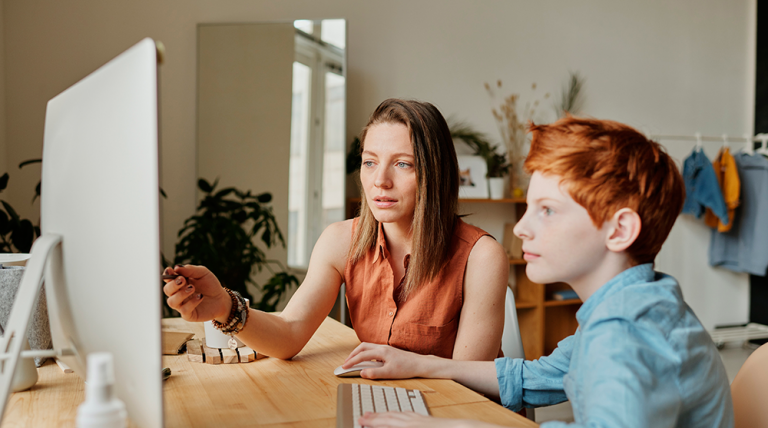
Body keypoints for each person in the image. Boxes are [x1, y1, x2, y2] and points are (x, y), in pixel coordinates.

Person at [344, 117, 734, 427]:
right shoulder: (634, 304)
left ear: (619, 230)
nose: (520, 228)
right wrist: (421, 364)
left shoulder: (628, 333)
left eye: (546, 210)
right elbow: (536, 377)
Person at [163, 98, 509, 361]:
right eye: (370, 162)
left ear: (436, 174)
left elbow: (468, 384)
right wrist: (225, 306)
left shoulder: (482, 257)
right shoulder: (341, 241)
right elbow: (289, 333)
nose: (380, 181)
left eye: (403, 164)